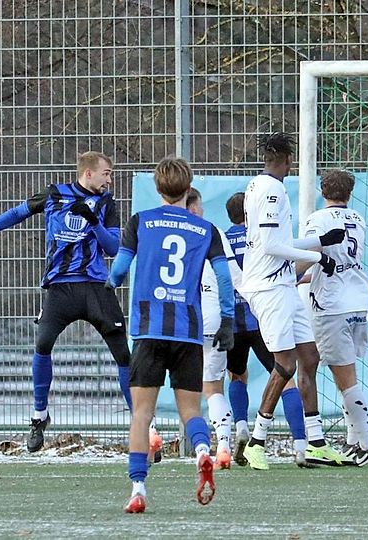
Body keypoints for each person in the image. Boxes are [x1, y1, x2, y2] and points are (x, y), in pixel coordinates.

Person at [0, 152, 133, 453]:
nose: (110, 179)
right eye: (106, 173)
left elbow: (112, 249)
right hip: (60, 288)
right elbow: (18, 213)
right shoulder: (54, 193)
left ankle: (142, 423)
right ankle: (39, 417)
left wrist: (93, 221)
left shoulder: (107, 204)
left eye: (111, 175)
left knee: (123, 354)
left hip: (96, 287)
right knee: (43, 344)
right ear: (89, 173)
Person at [106, 157, 236, 513]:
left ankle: (138, 488)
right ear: (188, 186)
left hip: (149, 329)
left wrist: (112, 282)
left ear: (157, 187)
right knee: (191, 410)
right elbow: (224, 279)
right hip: (188, 331)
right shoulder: (205, 229)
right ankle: (202, 452)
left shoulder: (140, 222)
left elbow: (119, 268)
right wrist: (226, 320)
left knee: (141, 414)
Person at [236, 132, 349, 470]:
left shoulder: (258, 185)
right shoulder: (272, 190)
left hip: (281, 283)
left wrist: (318, 241)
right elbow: (271, 246)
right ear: (286, 160)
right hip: (270, 288)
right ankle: (256, 442)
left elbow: (276, 239)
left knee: (309, 356)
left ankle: (315, 443)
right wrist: (316, 258)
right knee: (285, 364)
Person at [222, 192, 312, 468]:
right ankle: (300, 445)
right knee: (286, 376)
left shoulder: (223, 239)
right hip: (263, 315)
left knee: (237, 375)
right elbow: (279, 273)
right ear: (249, 214)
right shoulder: (261, 238)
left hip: (234, 319)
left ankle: (240, 428)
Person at [300, 170, 368, 466]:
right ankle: (354, 441)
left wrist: (291, 275)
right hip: (358, 299)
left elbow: (308, 254)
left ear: (323, 190)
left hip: (331, 304)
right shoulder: (358, 219)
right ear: (349, 193)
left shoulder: (318, 220)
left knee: (344, 379)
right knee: (346, 374)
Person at [185, 188, 243, 470]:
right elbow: (233, 278)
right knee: (213, 388)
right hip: (215, 319)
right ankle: (223, 447)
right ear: (194, 208)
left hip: (183, 321)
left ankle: (152, 437)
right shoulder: (213, 232)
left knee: (180, 389)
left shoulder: (166, 230)